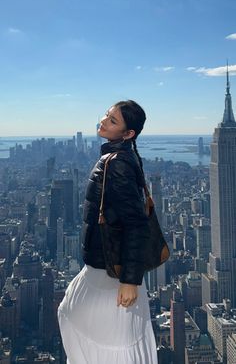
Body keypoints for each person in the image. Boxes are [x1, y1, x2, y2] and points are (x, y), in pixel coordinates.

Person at [58, 100, 158, 364]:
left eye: (113, 121)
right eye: (107, 115)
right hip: (106, 265)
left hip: (111, 272)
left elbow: (136, 224)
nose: (103, 121)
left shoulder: (118, 164)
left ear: (128, 134)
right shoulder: (120, 157)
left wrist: (130, 280)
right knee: (74, 317)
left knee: (97, 333)